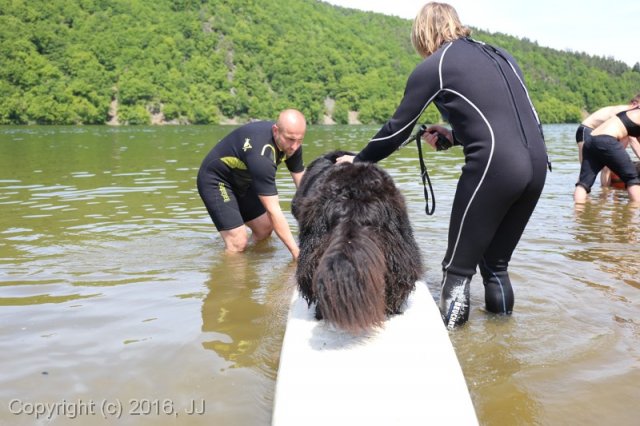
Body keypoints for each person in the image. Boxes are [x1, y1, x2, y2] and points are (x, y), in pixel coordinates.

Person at [336, 2, 548, 329]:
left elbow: (397, 129)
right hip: (537, 163)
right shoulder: (501, 54)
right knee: (495, 266)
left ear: (422, 34)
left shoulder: (436, 66)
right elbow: (513, 120)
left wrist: (359, 160)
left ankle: (457, 353)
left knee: (457, 270)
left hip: (496, 167)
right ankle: (503, 349)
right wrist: (455, 136)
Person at [197, 109, 306, 260]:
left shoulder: (292, 145)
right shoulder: (262, 156)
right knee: (238, 243)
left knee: (264, 228)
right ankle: (229, 270)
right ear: (276, 131)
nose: (294, 146)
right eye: (290, 139)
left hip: (243, 180)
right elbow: (273, 210)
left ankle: (249, 266)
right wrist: (296, 253)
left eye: (299, 140)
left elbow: (303, 185)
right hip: (217, 180)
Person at [574, 107, 640, 203]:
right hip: (606, 140)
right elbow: (633, 141)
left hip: (591, 139)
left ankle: (579, 212)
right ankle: (636, 208)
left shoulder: (630, 112)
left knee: (584, 183)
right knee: (632, 178)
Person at [575, 94, 640, 163]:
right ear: (634, 104)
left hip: (601, 136)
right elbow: (632, 140)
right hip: (586, 130)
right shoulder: (622, 111)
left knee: (609, 161)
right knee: (586, 166)